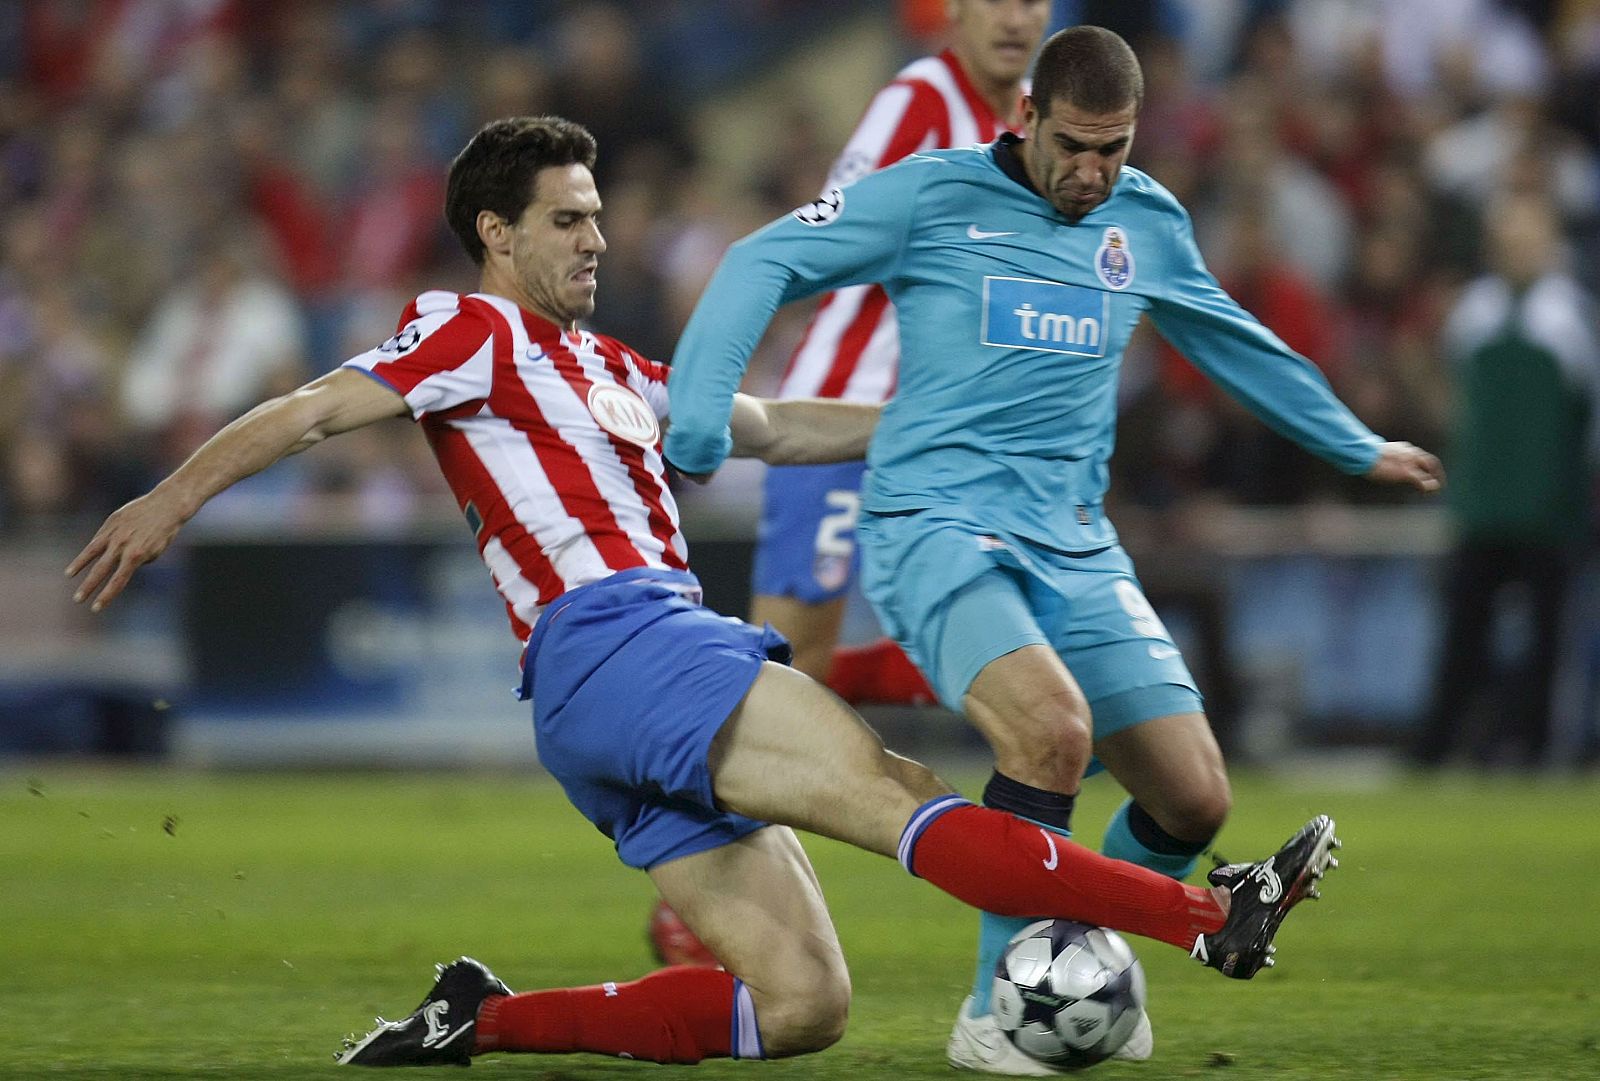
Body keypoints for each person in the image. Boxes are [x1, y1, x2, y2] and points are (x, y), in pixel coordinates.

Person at [68, 115, 1338, 1071]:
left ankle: (477, 1021)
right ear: (499, 235)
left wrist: (934, 423)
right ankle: (1205, 914)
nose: (597, 237)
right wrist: (168, 498)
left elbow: (773, 421)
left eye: (599, 214)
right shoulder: (466, 330)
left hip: (610, 695)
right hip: (618, 640)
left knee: (799, 1010)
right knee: (897, 791)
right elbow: (309, 411)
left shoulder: (620, 366)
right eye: (567, 219)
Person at [661, 27, 1437, 1075]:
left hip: (1074, 543)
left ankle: (1082, 963)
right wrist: (702, 416)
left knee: (1193, 798)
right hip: (931, 525)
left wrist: (1353, 444)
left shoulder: (1145, 219)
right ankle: (995, 1009)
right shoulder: (928, 195)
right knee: (1048, 731)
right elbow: (767, 257)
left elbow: (1230, 337)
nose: (1091, 172)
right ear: (1024, 120)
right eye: (1073, 145)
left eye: (1113, 148)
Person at [753, 0, 1050, 701]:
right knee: (787, 660)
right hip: (839, 415)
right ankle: (707, 765)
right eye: (996, 1)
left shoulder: (1036, 127)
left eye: (1031, 1)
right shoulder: (917, 101)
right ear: (955, 11)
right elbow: (830, 232)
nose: (1015, 19)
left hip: (941, 434)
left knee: (1025, 646)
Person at [1410, 188, 1598, 769]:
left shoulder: (1569, 316)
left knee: (1548, 638)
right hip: (1482, 503)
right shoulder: (1475, 312)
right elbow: (1451, 392)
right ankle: (1441, 746)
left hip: (1550, 507)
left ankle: (1536, 747)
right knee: (1464, 633)